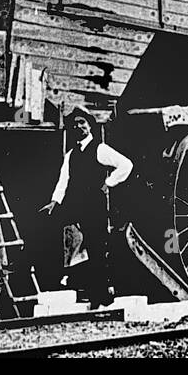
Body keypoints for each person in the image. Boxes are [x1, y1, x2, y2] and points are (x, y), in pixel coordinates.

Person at [40, 108, 133, 306]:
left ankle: (101, 296)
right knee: (72, 240)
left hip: (95, 206)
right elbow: (63, 181)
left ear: (90, 125)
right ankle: (72, 282)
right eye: (75, 124)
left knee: (97, 247)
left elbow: (126, 165)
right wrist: (54, 202)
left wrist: (108, 183)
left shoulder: (100, 149)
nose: (79, 127)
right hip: (76, 205)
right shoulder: (71, 155)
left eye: (82, 122)